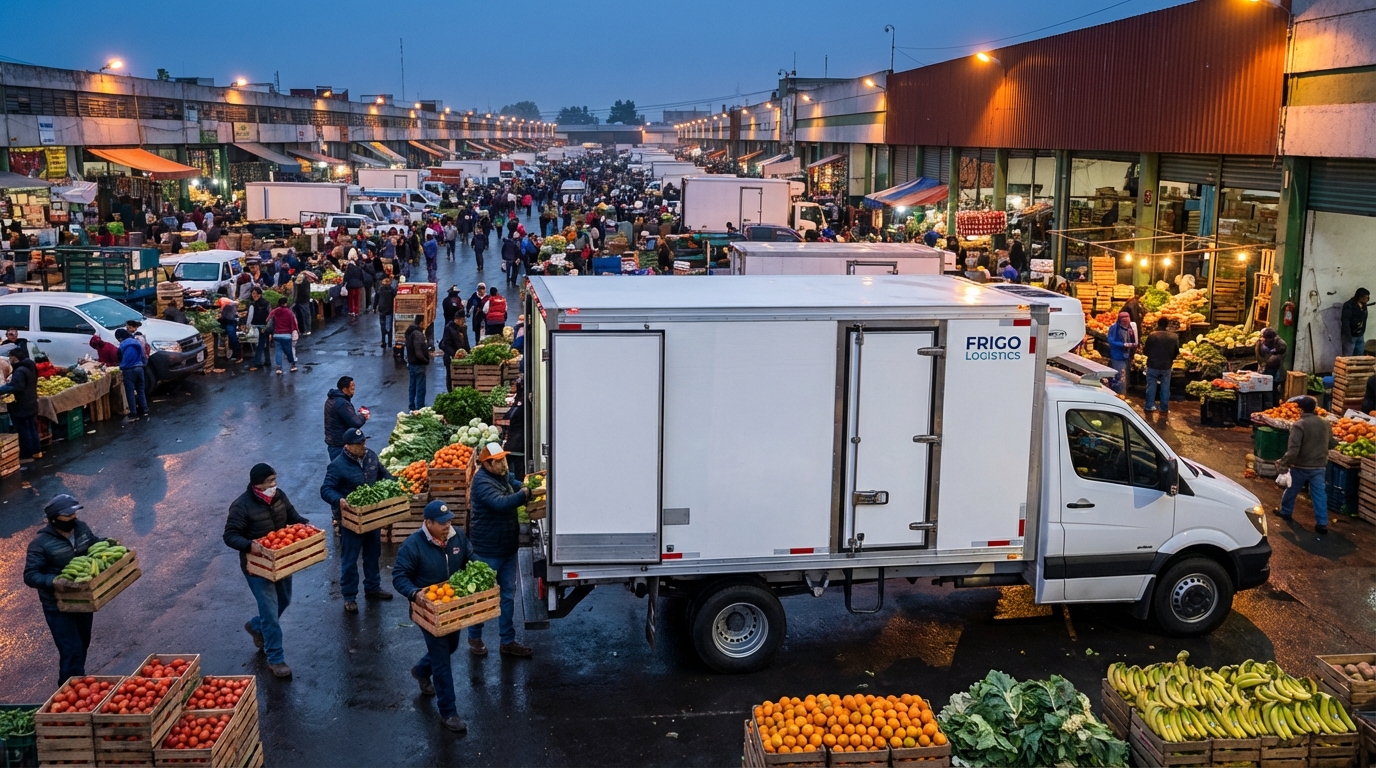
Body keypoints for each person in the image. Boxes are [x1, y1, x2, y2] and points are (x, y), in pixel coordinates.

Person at [393, 500, 474, 734]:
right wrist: (414, 593)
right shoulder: (412, 545)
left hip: (452, 607)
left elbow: (470, 557)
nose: (448, 526)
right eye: (442, 523)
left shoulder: (457, 536)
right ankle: (448, 712)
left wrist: (482, 573)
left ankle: (420, 670)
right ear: (428, 523)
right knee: (442, 659)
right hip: (428, 610)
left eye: (449, 520)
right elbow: (399, 576)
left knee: (451, 646)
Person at [223, 463, 306, 678]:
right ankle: (275, 658)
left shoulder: (279, 497)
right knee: (270, 612)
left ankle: (255, 625)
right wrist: (250, 545)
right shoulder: (241, 506)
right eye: (270, 481)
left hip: (280, 560)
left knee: (284, 601)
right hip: (257, 567)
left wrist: (304, 525)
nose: (274, 485)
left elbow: (293, 516)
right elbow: (230, 535)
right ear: (257, 484)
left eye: (275, 479)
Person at [466, 442, 541, 658]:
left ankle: (507, 640)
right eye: (498, 461)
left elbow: (515, 484)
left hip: (507, 546)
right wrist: (524, 495)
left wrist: (531, 487)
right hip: (487, 550)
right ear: (487, 464)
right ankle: (474, 636)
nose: (503, 464)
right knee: (482, 596)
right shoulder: (481, 482)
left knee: (507, 596)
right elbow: (500, 503)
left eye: (504, 459)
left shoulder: (502, 475)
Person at [24, 494, 106, 686]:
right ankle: (69, 689)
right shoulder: (40, 544)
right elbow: (30, 575)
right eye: (68, 515)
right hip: (57, 605)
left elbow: (92, 544)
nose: (73, 518)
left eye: (74, 513)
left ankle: (78, 682)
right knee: (71, 650)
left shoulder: (81, 528)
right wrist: (55, 581)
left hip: (83, 599)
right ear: (54, 519)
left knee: (83, 644)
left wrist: (108, 543)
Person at [320, 428, 395, 612]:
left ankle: (373, 587)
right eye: (359, 444)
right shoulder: (337, 465)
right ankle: (349, 596)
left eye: (364, 442)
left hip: (371, 516)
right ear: (348, 446)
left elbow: (384, 475)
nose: (364, 445)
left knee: (373, 554)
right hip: (351, 521)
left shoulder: (371, 456)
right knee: (350, 559)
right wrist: (339, 500)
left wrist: (397, 484)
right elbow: (326, 489)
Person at [1276, 396, 1336, 534]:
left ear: (1300, 409)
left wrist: (1282, 463)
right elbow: (1331, 443)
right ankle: (1322, 523)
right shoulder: (1325, 423)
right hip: (1319, 466)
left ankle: (1286, 512)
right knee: (1319, 494)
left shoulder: (1299, 425)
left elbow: (1293, 449)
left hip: (1301, 466)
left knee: (1291, 490)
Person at [0, 347, 39, 461]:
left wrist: (2, 389)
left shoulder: (20, 371)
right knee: (32, 428)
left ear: (15, 357)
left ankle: (27, 454)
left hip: (22, 404)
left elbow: (17, 386)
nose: (10, 359)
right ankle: (37, 451)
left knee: (23, 430)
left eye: (11, 357)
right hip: (31, 402)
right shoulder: (30, 367)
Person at [324, 376, 368, 461]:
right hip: (340, 445)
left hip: (334, 444)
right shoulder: (342, 404)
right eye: (351, 388)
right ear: (344, 389)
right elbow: (355, 422)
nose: (353, 391)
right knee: (344, 471)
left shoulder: (332, 399)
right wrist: (363, 416)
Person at [1142, 317, 1180, 414]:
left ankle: (1149, 405)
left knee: (1151, 385)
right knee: (1165, 386)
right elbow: (1176, 352)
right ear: (1167, 325)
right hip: (1166, 365)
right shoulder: (1174, 337)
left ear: (1158, 324)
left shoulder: (1152, 335)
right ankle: (1164, 407)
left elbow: (1145, 351)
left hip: (1153, 364)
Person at [115, 328, 148, 418]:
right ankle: (145, 409)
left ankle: (133, 412)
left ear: (120, 338)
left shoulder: (122, 345)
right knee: (140, 390)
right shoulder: (137, 342)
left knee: (130, 392)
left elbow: (119, 358)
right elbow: (143, 355)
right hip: (139, 368)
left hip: (128, 370)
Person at [1106, 310, 1138, 396]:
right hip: (1117, 356)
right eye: (1123, 319)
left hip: (1127, 357)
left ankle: (1122, 393)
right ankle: (1118, 394)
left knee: (1125, 376)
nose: (1126, 320)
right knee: (1120, 377)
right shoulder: (1114, 328)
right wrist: (1123, 345)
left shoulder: (1130, 328)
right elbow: (1111, 341)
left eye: (1127, 318)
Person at [1257, 328, 1289, 407]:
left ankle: (1273, 406)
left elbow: (1274, 360)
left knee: (1273, 391)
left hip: (1276, 372)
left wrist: (1272, 351)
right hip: (1267, 370)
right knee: (1265, 390)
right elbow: (1261, 355)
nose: (1264, 340)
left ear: (1271, 338)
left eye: (1266, 338)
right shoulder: (1265, 343)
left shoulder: (1281, 344)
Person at [438, 313, 470, 392]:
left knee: (460, 375)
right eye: (463, 320)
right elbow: (445, 344)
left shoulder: (463, 328)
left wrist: (468, 353)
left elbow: (466, 343)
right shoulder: (449, 328)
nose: (464, 322)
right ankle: (451, 391)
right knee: (450, 375)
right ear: (457, 320)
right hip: (450, 358)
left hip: (462, 358)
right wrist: (454, 354)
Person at [267, 298, 298, 375]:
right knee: (288, 351)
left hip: (277, 335)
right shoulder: (289, 312)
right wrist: (295, 332)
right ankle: (292, 365)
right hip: (287, 335)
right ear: (286, 303)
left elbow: (267, 320)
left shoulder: (274, 311)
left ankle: (279, 368)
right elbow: (293, 324)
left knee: (278, 351)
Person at [405, 320, 431, 411]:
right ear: (421, 322)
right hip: (418, 364)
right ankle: (420, 406)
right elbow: (419, 352)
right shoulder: (418, 334)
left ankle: (411, 404)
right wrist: (425, 360)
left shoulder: (409, 332)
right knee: (420, 387)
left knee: (412, 385)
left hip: (412, 363)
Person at [244, 287, 271, 371]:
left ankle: (258, 362)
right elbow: (270, 315)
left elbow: (250, 317)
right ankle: (267, 361)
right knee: (265, 344)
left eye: (256, 293)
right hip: (264, 326)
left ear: (260, 294)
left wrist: (247, 327)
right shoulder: (267, 303)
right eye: (253, 293)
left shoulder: (252, 304)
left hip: (257, 326)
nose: (255, 295)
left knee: (259, 344)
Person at [1341, 288, 1370, 357]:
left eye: (1368, 297)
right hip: (1350, 335)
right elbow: (1345, 321)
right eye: (1365, 297)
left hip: (1360, 335)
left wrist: (1362, 331)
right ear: (1359, 297)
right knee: (1348, 357)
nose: (1367, 299)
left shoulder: (1364, 305)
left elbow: (1364, 319)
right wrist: (1348, 336)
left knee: (1359, 355)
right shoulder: (1349, 305)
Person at [376, 275, 397, 349]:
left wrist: (374, 307)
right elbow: (395, 296)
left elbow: (376, 298)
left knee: (382, 325)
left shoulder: (380, 290)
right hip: (389, 310)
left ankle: (383, 341)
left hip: (382, 309)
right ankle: (390, 342)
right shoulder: (391, 290)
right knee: (389, 326)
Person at [218, 297, 241, 362]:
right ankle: (233, 353)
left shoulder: (223, 303)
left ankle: (235, 354)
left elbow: (223, 312)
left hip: (229, 321)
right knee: (231, 337)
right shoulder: (228, 303)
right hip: (229, 321)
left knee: (231, 337)